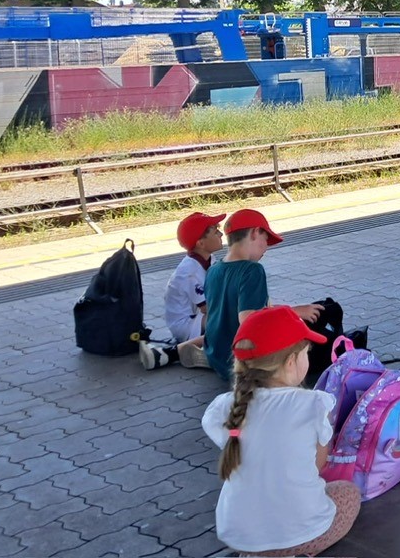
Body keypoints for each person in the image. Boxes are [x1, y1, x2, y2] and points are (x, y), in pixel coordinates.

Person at [201, 306, 359, 557]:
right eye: (306, 353)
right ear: (291, 362)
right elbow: (318, 465)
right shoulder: (314, 404)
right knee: (348, 493)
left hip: (237, 534)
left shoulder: (225, 407)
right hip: (301, 534)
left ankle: (257, 553)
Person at [203, 210, 323, 381]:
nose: (266, 247)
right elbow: (250, 320)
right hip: (241, 363)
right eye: (266, 239)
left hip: (216, 356)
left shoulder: (213, 270)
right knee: (303, 346)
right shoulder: (251, 270)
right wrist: (295, 312)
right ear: (254, 233)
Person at [141, 211, 226, 371]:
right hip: (186, 324)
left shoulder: (209, 260)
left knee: (232, 317)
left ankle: (204, 351)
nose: (221, 234)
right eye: (216, 232)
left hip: (198, 317)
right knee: (228, 319)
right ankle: (189, 351)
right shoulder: (189, 271)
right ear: (201, 243)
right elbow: (208, 308)